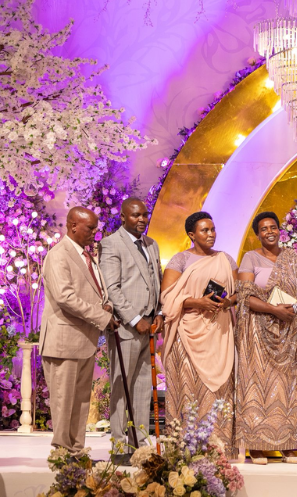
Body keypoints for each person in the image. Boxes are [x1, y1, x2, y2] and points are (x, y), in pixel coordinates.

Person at [235, 211, 297, 464]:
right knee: (258, 384)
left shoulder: (291, 256)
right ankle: (256, 446)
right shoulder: (250, 258)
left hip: (289, 331)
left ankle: (288, 444)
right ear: (258, 234)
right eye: (264, 229)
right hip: (259, 331)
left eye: (273, 227)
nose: (269, 232)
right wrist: (274, 309)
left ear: (280, 230)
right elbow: (246, 296)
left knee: (287, 387)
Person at [40, 207, 118, 454]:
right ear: (73, 225)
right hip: (64, 341)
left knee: (81, 401)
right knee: (64, 402)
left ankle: (76, 452)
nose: (95, 233)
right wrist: (102, 317)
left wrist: (107, 305)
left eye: (96, 228)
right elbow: (65, 297)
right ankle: (62, 455)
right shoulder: (58, 255)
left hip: (84, 340)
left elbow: (98, 292)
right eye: (90, 228)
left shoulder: (88, 255)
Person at [161, 211, 238, 457]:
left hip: (219, 332)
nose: (211, 234)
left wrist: (226, 303)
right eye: (204, 230)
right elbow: (167, 299)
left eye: (213, 229)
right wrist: (198, 303)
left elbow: (238, 293)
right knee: (188, 387)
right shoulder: (180, 260)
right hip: (187, 333)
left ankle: (219, 447)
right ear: (191, 235)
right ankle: (183, 448)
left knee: (219, 390)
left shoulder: (226, 259)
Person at [99, 198, 164, 464]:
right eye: (135, 215)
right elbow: (112, 288)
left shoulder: (152, 244)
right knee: (121, 385)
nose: (141, 219)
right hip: (126, 327)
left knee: (141, 388)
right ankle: (118, 447)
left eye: (144, 214)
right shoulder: (111, 243)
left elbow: (156, 281)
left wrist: (158, 313)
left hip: (149, 324)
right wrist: (136, 318)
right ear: (123, 217)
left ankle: (139, 446)